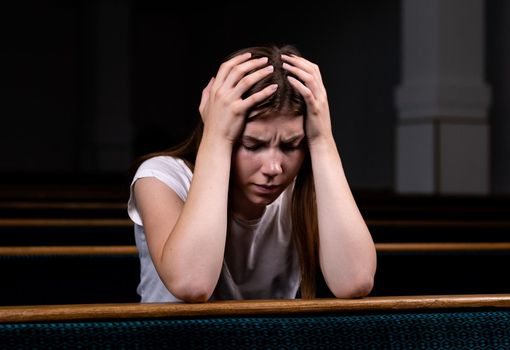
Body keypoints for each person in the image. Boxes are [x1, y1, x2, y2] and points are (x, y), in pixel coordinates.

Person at [127, 44, 377, 303]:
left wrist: (322, 139)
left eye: (291, 145)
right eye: (253, 145)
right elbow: (192, 284)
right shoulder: (160, 177)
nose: (273, 168)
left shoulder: (299, 189)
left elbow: (355, 281)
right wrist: (217, 137)